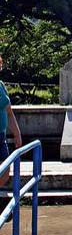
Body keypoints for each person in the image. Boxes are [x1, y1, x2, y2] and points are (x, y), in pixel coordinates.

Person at [0, 54, 22, 187]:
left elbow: (9, 112)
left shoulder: (1, 85)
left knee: (6, 170)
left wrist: (17, 134)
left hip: (1, 135)